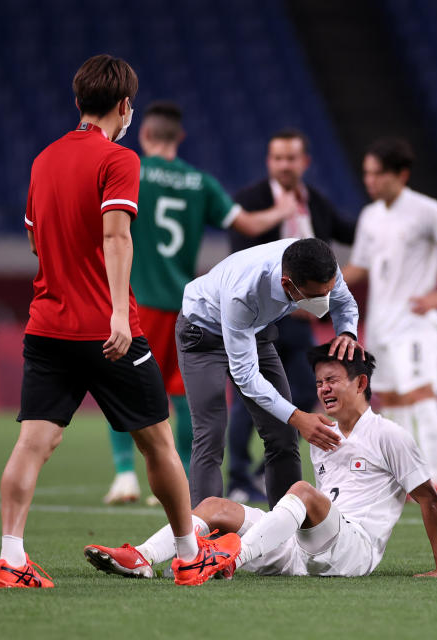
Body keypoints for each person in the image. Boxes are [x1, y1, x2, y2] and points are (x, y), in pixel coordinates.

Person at [0, 55, 229, 589]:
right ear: (124, 107)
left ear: (78, 103)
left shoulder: (42, 160)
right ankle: (190, 558)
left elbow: (35, 240)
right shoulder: (118, 159)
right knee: (159, 444)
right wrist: (119, 312)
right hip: (108, 330)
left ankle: (10, 560)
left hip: (47, 326)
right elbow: (117, 235)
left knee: (33, 443)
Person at [83, 343, 437, 579]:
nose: (323, 389)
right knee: (215, 506)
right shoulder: (323, 435)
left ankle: (230, 558)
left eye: (333, 380)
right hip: (307, 550)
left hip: (354, 552)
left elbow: (429, 499)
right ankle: (144, 557)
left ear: (360, 384)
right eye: (320, 382)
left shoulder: (390, 435)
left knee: (303, 492)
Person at [103, 101, 293, 506]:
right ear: (180, 138)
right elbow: (249, 224)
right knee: (183, 393)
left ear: (145, 134)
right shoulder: (199, 181)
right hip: (188, 305)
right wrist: (285, 209)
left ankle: (125, 476)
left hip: (136, 300)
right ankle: (184, 478)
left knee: (121, 385)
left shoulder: (131, 168)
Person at [225, 128, 357, 503]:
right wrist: (274, 216)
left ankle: (257, 471)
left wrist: (384, 230)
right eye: (278, 158)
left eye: (291, 158)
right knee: (246, 395)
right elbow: (239, 258)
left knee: (301, 391)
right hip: (259, 316)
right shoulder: (251, 200)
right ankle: (236, 475)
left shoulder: (315, 202)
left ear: (304, 162)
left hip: (300, 322)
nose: (284, 164)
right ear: (270, 162)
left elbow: (350, 230)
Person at [179, 237, 360, 509]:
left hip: (255, 327)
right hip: (203, 332)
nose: (324, 301)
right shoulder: (245, 290)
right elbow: (246, 376)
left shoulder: (323, 265)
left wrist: (347, 332)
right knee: (211, 433)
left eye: (328, 291)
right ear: (288, 284)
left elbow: (345, 304)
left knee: (284, 436)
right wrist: (299, 417)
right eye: (315, 296)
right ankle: (207, 536)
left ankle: (286, 530)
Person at [343, 137, 437, 500]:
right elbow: (360, 266)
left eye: (376, 174)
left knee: (421, 394)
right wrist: (325, 284)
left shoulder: (426, 210)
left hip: (415, 321)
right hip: (381, 322)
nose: (369, 181)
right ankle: (405, 477)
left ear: (400, 174)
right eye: (366, 173)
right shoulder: (370, 216)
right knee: (393, 399)